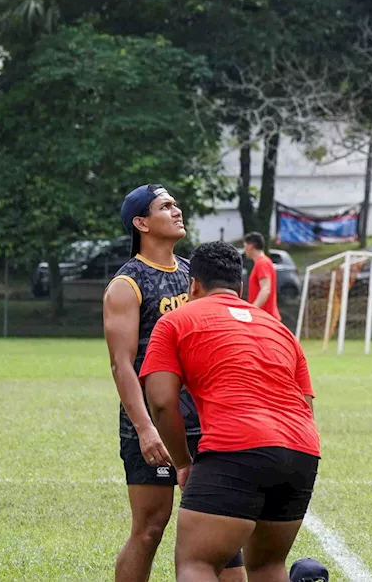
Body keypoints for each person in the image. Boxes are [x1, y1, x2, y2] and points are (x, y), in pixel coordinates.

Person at [140, 241, 320, 582]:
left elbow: (162, 402)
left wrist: (182, 463)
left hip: (236, 448)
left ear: (192, 285)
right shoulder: (280, 330)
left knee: (197, 563)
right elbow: (306, 405)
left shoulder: (175, 321)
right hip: (301, 452)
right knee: (268, 566)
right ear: (240, 287)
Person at [102, 184, 244, 582]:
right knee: (150, 528)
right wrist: (146, 430)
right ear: (141, 222)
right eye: (166, 206)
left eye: (176, 204)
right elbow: (121, 365)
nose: (177, 210)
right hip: (153, 421)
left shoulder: (191, 277)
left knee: (223, 532)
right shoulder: (126, 284)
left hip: (205, 420)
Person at [243, 232, 281, 322]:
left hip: (266, 318)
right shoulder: (262, 262)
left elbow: (265, 289)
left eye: (245, 246)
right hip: (264, 318)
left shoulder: (262, 263)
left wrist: (252, 309)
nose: (244, 250)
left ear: (250, 246)